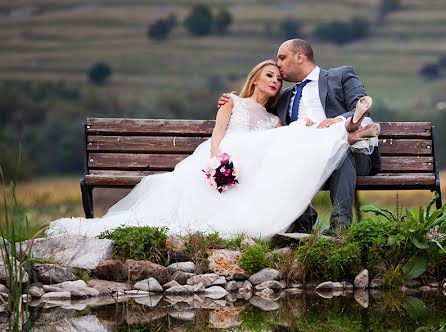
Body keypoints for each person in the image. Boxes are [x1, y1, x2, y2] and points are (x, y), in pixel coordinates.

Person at [46, 59, 379, 239]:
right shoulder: (234, 101)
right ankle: (349, 139)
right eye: (270, 74)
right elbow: (219, 134)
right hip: (225, 160)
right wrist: (218, 157)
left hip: (267, 164)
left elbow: (284, 138)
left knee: (294, 145)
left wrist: (321, 124)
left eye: (279, 75)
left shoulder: (276, 113)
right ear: (256, 78)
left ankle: (348, 137)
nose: (276, 80)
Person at [271, 38, 382, 236]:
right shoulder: (284, 96)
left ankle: (339, 229)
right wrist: (231, 103)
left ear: (299, 56)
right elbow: (254, 108)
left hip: (349, 155)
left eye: (282, 57)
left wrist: (338, 120)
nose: (278, 64)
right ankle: (303, 225)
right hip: (303, 158)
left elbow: (362, 105)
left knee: (339, 147)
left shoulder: (340, 75)